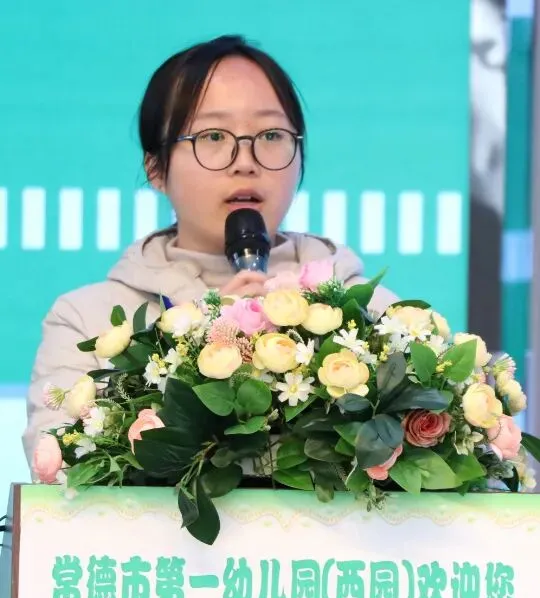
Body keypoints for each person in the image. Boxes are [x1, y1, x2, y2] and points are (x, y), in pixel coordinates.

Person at [23, 34, 398, 464]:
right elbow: (57, 467)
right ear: (155, 167)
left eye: (271, 134)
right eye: (214, 135)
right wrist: (206, 345)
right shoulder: (87, 321)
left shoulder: (372, 314)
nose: (246, 161)